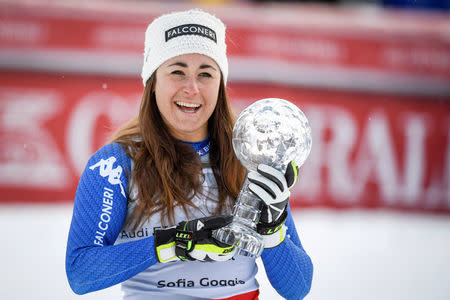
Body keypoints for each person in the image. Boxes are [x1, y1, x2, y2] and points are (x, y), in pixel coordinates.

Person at [65, 8, 313, 300]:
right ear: (152, 82)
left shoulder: (249, 160)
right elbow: (80, 272)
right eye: (177, 72)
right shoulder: (115, 165)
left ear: (220, 85)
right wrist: (174, 243)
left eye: (206, 73)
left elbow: (298, 288)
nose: (192, 88)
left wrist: (274, 231)